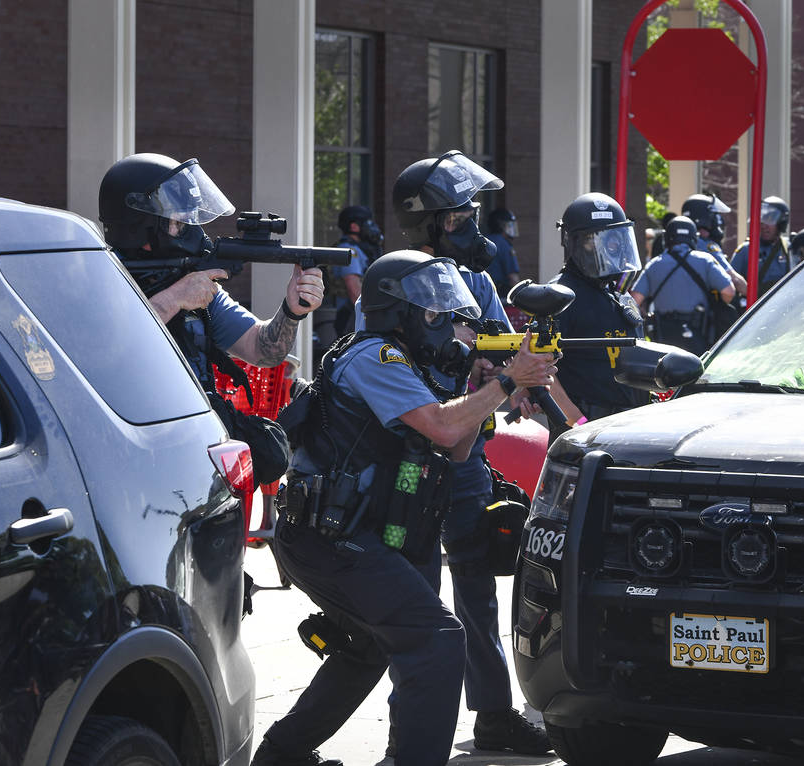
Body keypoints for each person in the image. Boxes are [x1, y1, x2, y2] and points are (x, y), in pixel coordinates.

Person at [251, 250, 556, 766]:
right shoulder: (377, 358)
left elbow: (455, 446)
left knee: (370, 644)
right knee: (437, 640)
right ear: (403, 311)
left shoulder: (415, 364)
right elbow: (442, 425)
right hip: (327, 535)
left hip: (367, 531)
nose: (444, 319)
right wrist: (508, 382)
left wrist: (478, 384)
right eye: (433, 309)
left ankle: (283, 755)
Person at [385, 151, 554, 756]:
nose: (471, 226)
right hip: (410, 463)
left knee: (478, 585)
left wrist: (515, 374)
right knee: (418, 599)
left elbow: (495, 354)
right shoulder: (393, 281)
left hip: (467, 460)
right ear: (428, 224)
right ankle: (409, 732)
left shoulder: (480, 281)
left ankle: (493, 714)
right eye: (457, 217)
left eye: (470, 213)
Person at [98, 153, 324, 391]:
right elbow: (104, 354)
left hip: (197, 422)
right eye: (178, 223)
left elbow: (263, 351)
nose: (191, 233)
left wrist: (292, 311)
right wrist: (173, 299)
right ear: (137, 228)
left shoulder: (191, 283)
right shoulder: (99, 279)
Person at [550, 192, 650, 420]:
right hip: (587, 430)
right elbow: (538, 370)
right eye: (591, 240)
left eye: (613, 239)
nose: (606, 249)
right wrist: (577, 423)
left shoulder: (620, 295)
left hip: (630, 425)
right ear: (571, 241)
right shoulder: (559, 297)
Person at [630, 215, 734, 355]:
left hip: (664, 339)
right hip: (698, 339)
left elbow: (634, 302)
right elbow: (729, 292)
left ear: (666, 238)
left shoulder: (654, 265)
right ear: (693, 238)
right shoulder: (705, 260)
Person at [681, 192, 747, 298]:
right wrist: (758, 299)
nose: (718, 221)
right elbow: (735, 280)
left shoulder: (678, 245)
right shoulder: (706, 246)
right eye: (714, 216)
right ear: (704, 218)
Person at [329, 204, 383, 335]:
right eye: (368, 223)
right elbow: (354, 291)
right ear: (354, 226)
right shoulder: (348, 250)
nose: (371, 227)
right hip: (351, 318)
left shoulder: (361, 248)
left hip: (359, 315)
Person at [732, 195, 794, 304]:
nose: (764, 225)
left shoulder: (789, 249)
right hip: (754, 311)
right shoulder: (746, 250)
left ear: (781, 223)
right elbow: (730, 281)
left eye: (770, 219)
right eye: (762, 219)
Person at [484, 207, 521, 298]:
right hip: (500, 295)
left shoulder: (484, 240)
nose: (511, 229)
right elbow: (513, 277)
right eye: (509, 226)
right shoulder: (504, 244)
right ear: (500, 226)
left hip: (482, 292)